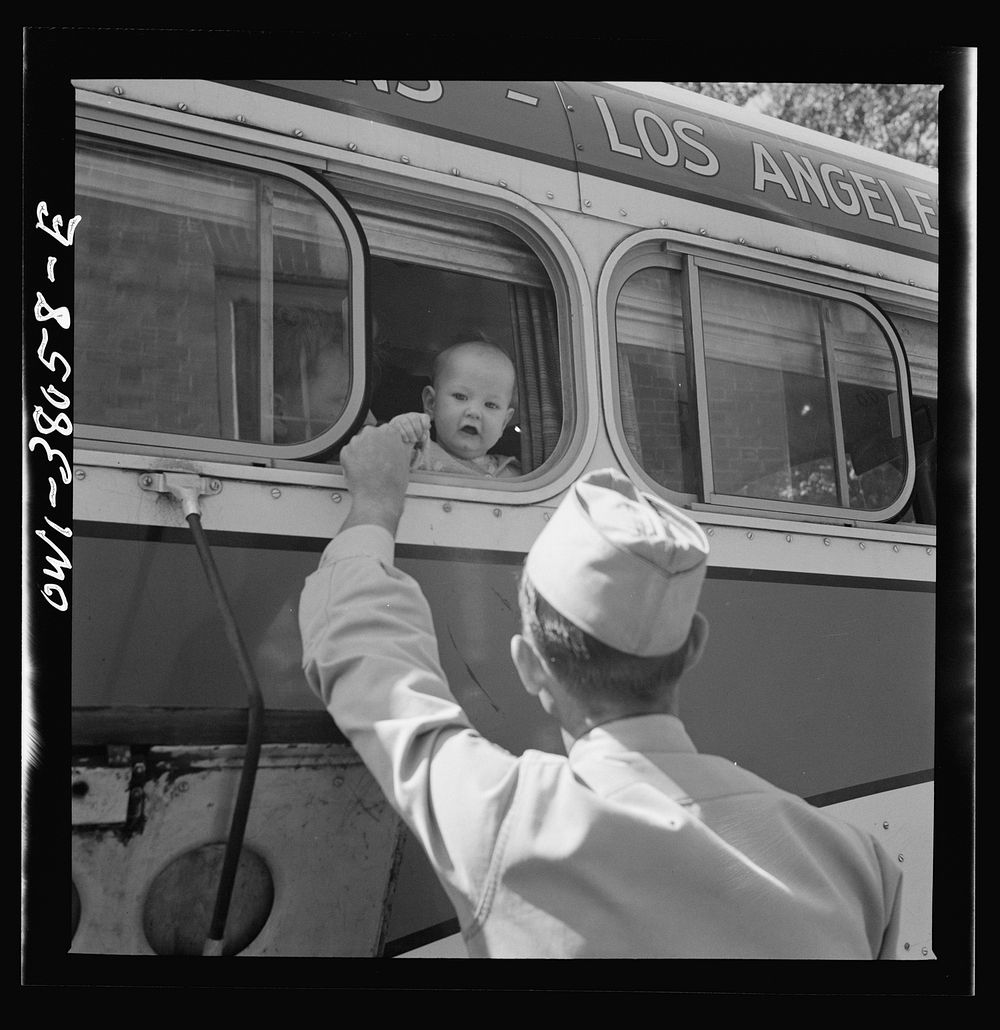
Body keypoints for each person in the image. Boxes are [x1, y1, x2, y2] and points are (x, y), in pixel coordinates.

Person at [298, 425, 903, 958]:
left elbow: (373, 663)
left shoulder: (507, 823)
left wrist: (375, 506)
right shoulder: (857, 864)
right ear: (693, 648)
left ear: (530, 667)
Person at [389, 339, 521, 478]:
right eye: (460, 396)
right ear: (431, 403)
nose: (474, 412)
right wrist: (398, 433)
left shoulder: (513, 475)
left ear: (504, 423)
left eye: (491, 405)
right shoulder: (417, 455)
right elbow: (376, 461)